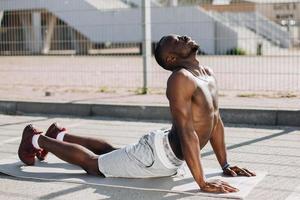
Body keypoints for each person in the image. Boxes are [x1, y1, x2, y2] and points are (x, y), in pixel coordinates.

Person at [18, 34, 255, 194]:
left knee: (115, 154)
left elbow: (215, 121)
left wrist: (226, 163)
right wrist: (201, 182)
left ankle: (60, 136)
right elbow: (186, 131)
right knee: (95, 165)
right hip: (157, 157)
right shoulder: (180, 79)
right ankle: (35, 139)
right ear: (171, 59)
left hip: (162, 152)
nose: (183, 37)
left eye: (180, 36)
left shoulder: (207, 73)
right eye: (176, 41)